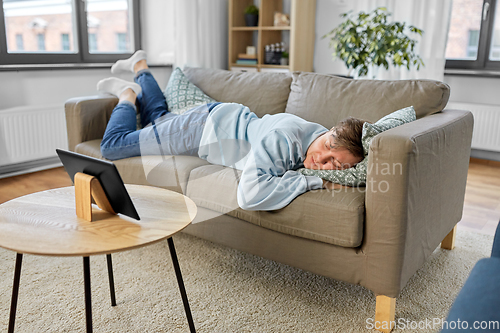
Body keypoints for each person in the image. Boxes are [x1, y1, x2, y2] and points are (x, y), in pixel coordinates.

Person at [98, 51, 366, 211]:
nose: (322, 162)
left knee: (158, 118)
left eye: (336, 166)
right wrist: (315, 180)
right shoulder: (285, 139)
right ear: (330, 132)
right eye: (328, 149)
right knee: (113, 145)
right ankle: (127, 94)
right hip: (201, 130)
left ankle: (140, 66)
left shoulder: (318, 136)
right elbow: (249, 195)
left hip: (215, 120)